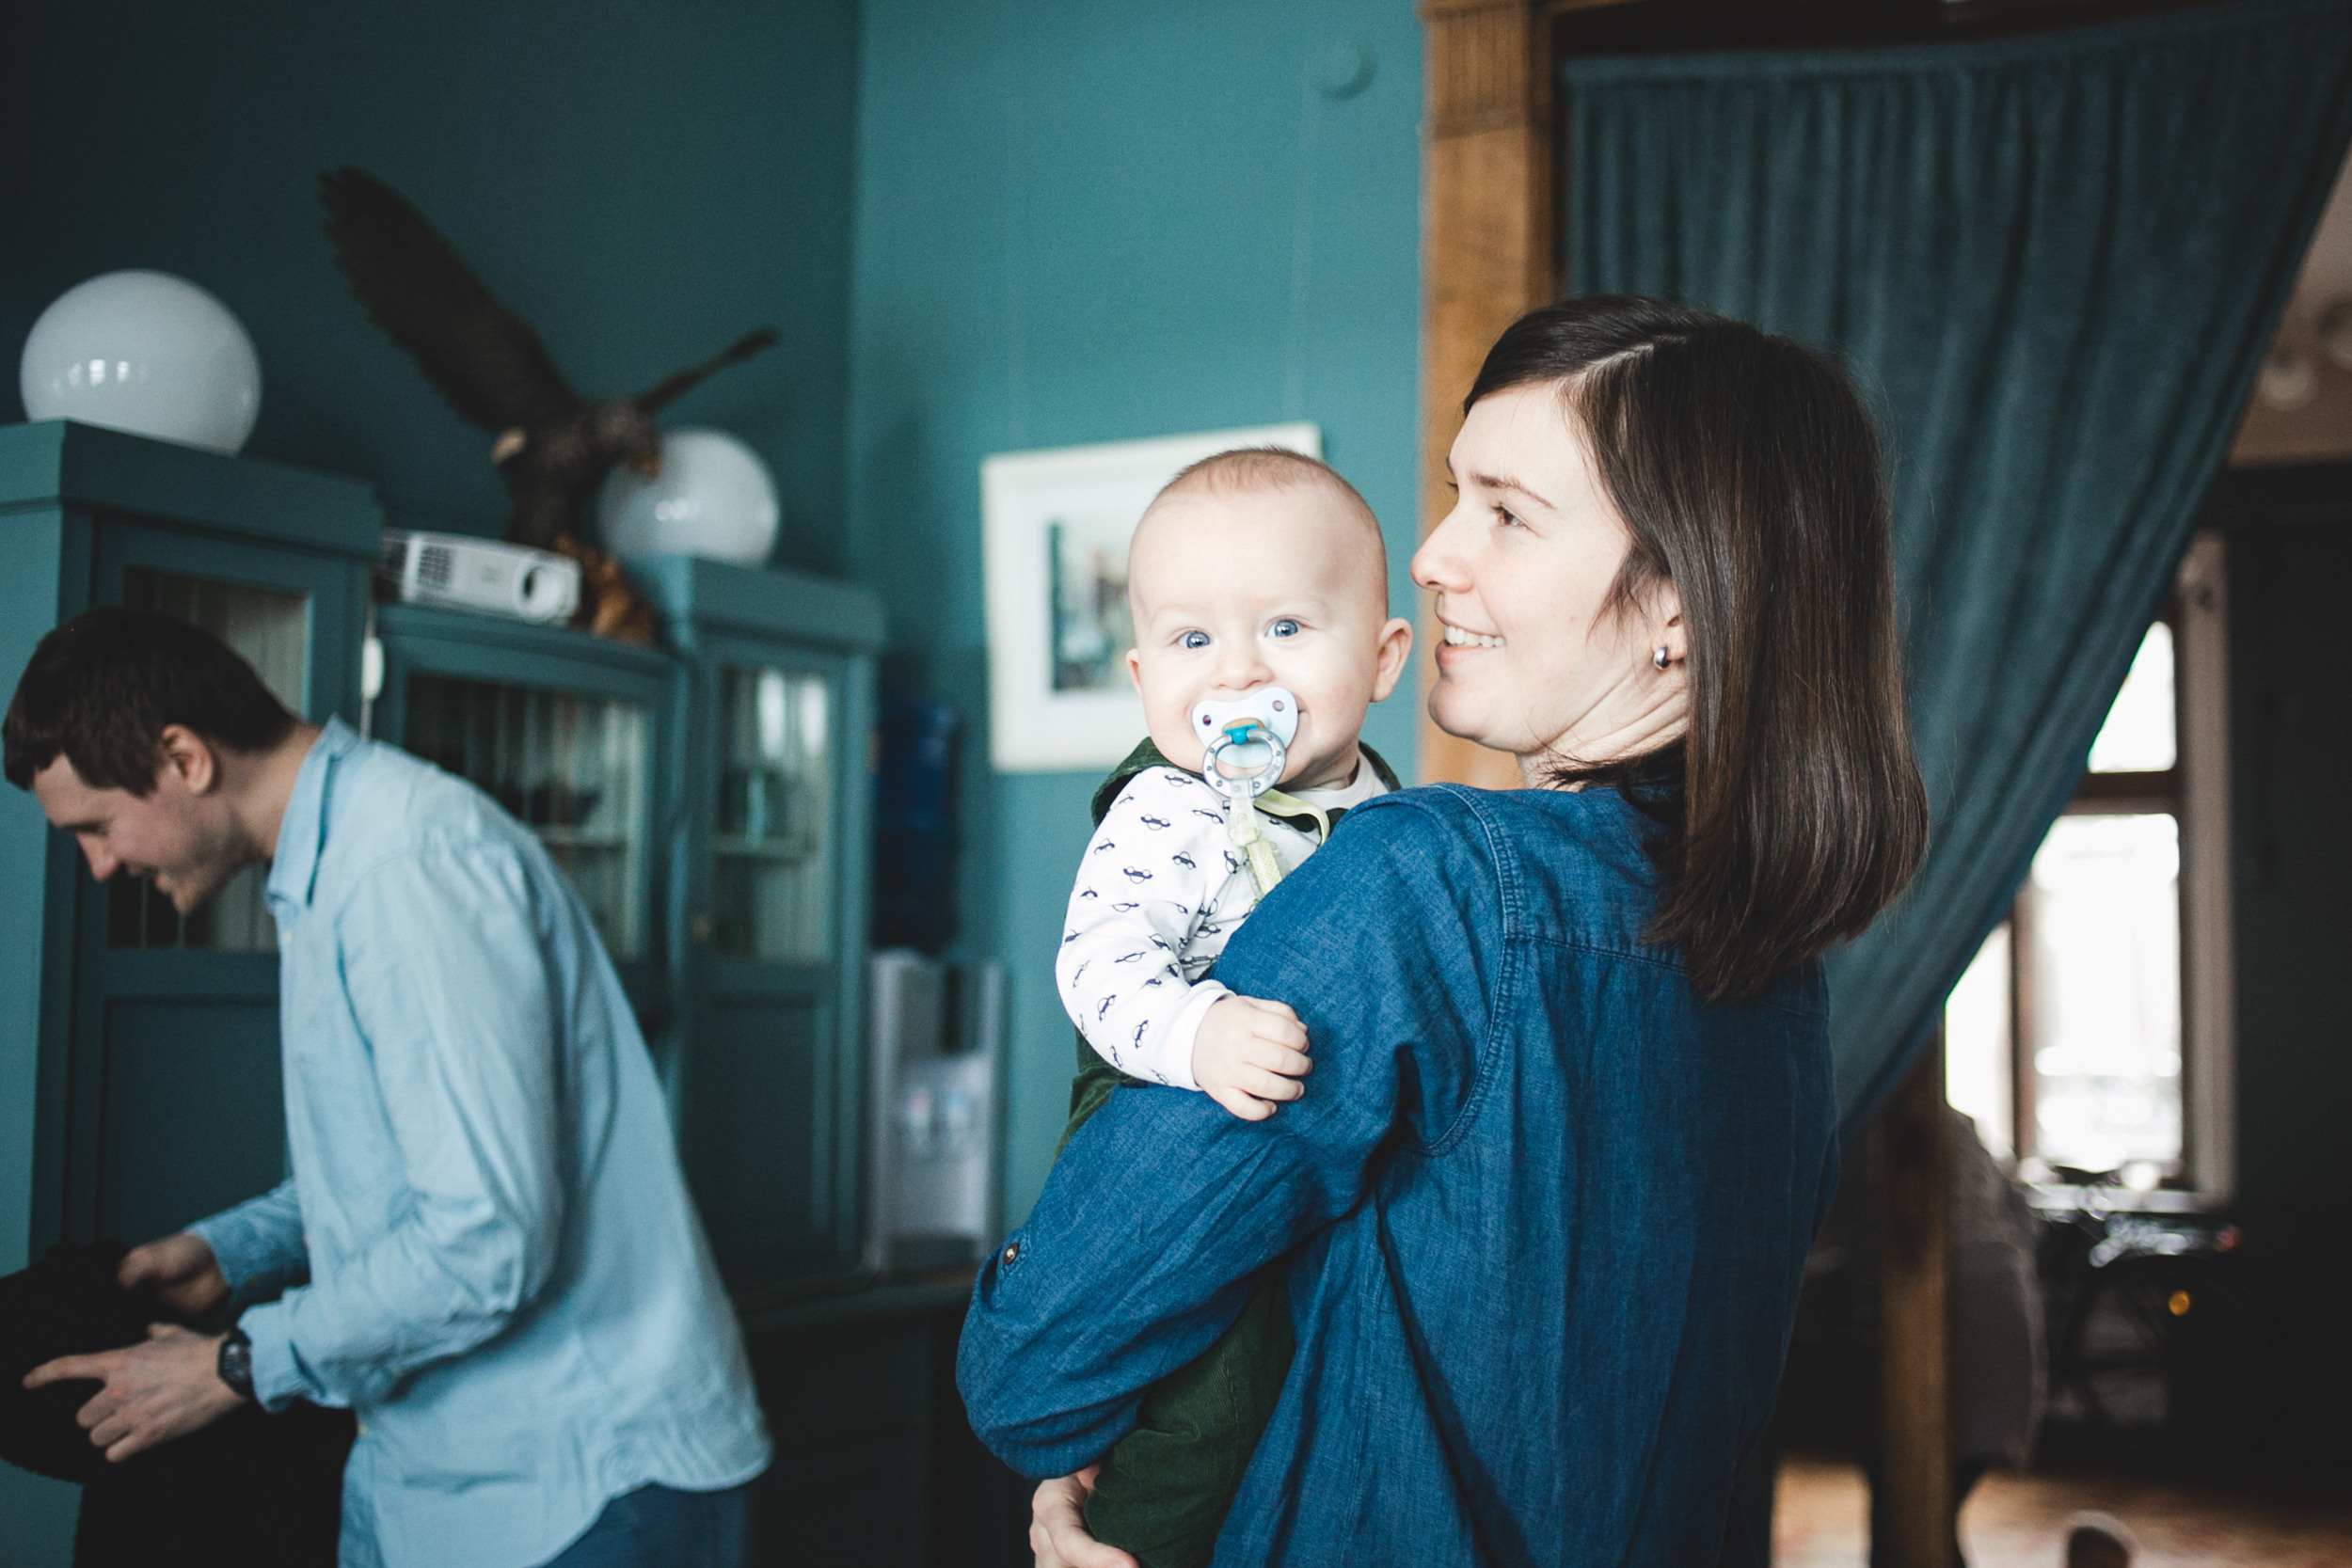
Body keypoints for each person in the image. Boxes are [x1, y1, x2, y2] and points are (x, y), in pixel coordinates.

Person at [960, 295, 1929, 1566]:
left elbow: (1034, 1366)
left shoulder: (1430, 879)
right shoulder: (1772, 968)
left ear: (1679, 603)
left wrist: (1123, 1468)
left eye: (1507, 512)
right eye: (1454, 495)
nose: (1430, 552)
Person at [4, 609, 771, 1568]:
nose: (102, 863)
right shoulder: (328, 872)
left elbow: (486, 1237)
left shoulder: (408, 866)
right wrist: (222, 1252)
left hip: (585, 1490)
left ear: (183, 756)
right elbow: (406, 1171)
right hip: (439, 1486)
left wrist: (237, 1363)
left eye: (99, 825)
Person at [1050, 449, 1411, 1565]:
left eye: (1288, 630)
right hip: (1167, 1114)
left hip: (1315, 1131)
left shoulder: (1394, 815)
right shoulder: (1170, 808)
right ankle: (1135, 1543)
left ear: (1384, 655)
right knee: (1214, 1386)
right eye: (1192, 640)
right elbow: (1096, 962)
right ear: (1142, 670)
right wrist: (1197, 1033)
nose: (1236, 678)